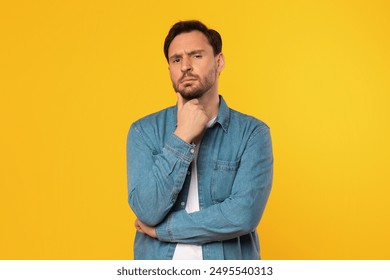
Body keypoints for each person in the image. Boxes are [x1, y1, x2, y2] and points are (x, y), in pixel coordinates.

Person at [126, 20, 273, 260]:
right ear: (170, 69)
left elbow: (242, 215)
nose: (185, 66)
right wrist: (181, 136)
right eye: (176, 59)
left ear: (219, 62)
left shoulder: (252, 133)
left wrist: (163, 231)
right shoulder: (143, 131)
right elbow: (147, 210)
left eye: (196, 56)